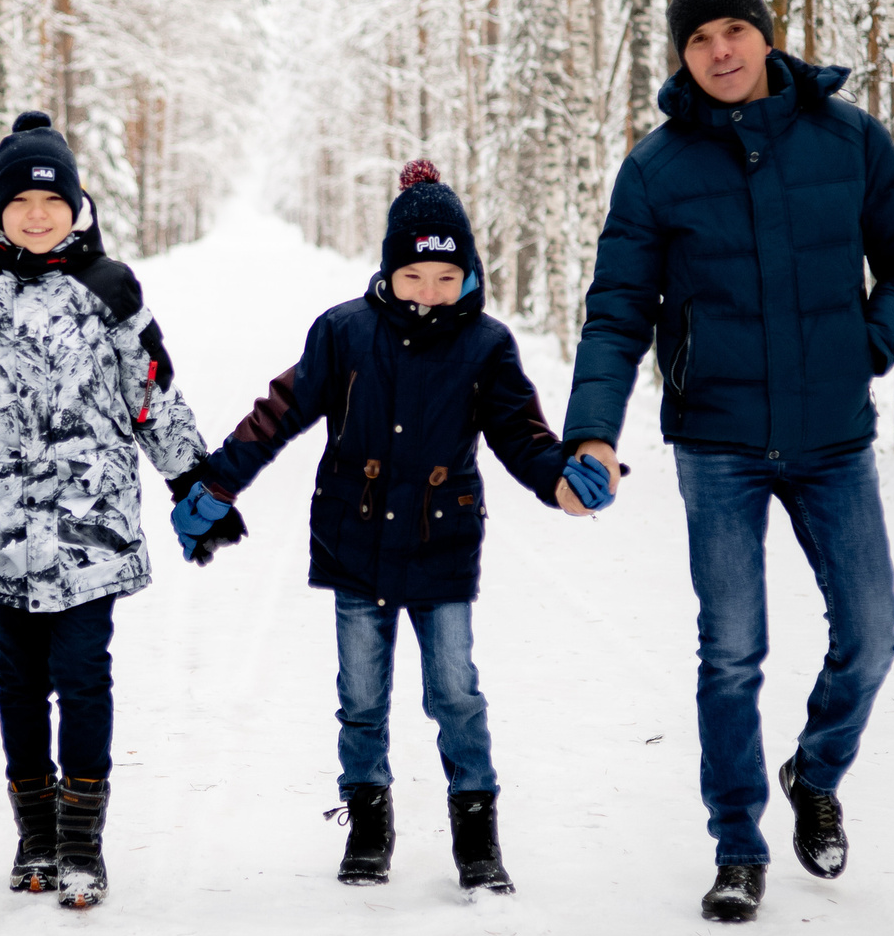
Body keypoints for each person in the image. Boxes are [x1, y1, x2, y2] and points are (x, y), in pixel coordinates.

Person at [561, 0, 894, 923]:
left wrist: (866, 343)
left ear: (767, 36)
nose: (721, 51)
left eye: (735, 30)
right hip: (719, 441)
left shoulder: (848, 140)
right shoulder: (657, 168)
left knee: (871, 629)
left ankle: (814, 773)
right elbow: (617, 313)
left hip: (831, 437)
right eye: (700, 40)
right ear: (683, 57)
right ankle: (738, 843)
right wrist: (593, 433)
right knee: (732, 649)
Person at [172, 160, 608, 895]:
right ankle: (370, 821)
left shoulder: (487, 346)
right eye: (413, 276)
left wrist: (561, 479)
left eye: (445, 277)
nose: (429, 292)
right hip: (357, 537)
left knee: (456, 691)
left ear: (467, 272)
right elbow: (279, 412)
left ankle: (476, 829)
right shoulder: (344, 332)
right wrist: (217, 481)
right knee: (362, 695)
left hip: (442, 542)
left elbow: (521, 435)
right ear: (388, 271)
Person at [0, 111, 212, 909]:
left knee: (83, 677)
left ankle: (83, 843)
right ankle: (36, 835)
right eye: (20, 199)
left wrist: (193, 480)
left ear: (77, 205)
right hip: (2, 535)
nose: (37, 212)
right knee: (18, 682)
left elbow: (150, 392)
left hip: (91, 533)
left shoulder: (111, 288)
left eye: (52, 199)